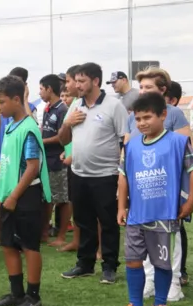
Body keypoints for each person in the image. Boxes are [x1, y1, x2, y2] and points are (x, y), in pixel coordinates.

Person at [108, 92, 193, 306]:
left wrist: (190, 203)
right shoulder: (130, 147)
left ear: (163, 115)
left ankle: (160, 305)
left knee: (161, 262)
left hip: (164, 213)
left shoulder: (177, 142)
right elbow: (123, 177)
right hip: (136, 215)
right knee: (132, 260)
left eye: (147, 117)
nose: (142, 123)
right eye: (138, 119)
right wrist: (121, 206)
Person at [58, 62, 128, 284]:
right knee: (83, 220)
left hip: (105, 174)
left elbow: (124, 138)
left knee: (107, 222)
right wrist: (67, 123)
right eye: (75, 81)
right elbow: (63, 139)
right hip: (78, 173)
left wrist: (121, 171)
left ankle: (109, 266)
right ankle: (85, 264)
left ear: (96, 81)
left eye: (81, 81)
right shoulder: (75, 106)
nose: (76, 85)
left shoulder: (113, 105)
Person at [126, 67, 192, 299]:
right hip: (142, 193)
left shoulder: (173, 114)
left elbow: (186, 152)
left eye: (148, 87)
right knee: (143, 239)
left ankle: (173, 281)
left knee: (168, 241)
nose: (142, 91)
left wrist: (188, 198)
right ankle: (149, 281)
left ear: (162, 90)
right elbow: (127, 152)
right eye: (141, 86)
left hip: (167, 195)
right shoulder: (133, 117)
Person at [0, 75, 51, 306]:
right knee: (8, 244)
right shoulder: (9, 127)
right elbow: (8, 166)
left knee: (29, 246)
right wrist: (1, 198)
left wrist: (14, 196)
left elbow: (32, 167)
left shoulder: (28, 128)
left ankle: (33, 295)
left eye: (2, 102)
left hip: (26, 195)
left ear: (17, 99)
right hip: (8, 196)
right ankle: (16, 294)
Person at [38, 74, 70, 247]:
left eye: (41, 89)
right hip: (47, 160)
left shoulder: (62, 109)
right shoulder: (48, 108)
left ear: (49, 89)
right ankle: (44, 232)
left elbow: (62, 137)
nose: (40, 93)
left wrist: (42, 142)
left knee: (62, 198)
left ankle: (62, 235)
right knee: (47, 197)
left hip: (58, 159)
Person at [58, 65, 80, 253]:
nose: (67, 86)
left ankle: (100, 249)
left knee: (95, 211)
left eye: (68, 81)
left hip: (88, 164)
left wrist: (73, 154)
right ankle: (77, 241)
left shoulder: (86, 104)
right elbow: (69, 134)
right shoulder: (75, 104)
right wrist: (67, 151)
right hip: (75, 163)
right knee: (77, 203)